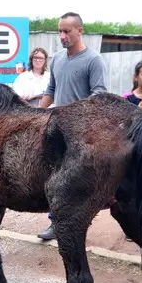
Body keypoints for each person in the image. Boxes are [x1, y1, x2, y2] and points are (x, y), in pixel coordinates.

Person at [37, 12, 108, 240]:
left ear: (80, 31)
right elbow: (50, 90)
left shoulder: (93, 60)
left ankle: (77, 222)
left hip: (82, 131)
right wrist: (37, 113)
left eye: (67, 31)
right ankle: (55, 223)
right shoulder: (57, 58)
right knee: (53, 176)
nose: (62, 36)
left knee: (77, 180)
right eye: (60, 31)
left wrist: (76, 115)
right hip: (57, 128)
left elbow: (99, 94)